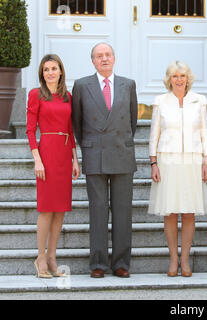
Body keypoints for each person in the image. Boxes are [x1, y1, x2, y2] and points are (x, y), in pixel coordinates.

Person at [71, 43, 138, 278]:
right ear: (93, 61)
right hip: (95, 153)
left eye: (108, 54)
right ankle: (98, 264)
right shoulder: (81, 85)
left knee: (122, 212)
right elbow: (77, 124)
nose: (104, 59)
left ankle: (121, 263)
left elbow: (132, 122)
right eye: (99, 56)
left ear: (114, 58)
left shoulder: (128, 85)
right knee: (98, 211)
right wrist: (88, 146)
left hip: (121, 153)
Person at [148, 61, 207, 277]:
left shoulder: (198, 101)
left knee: (188, 211)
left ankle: (185, 259)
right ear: (169, 79)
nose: (179, 79)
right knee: (170, 211)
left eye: (182, 75)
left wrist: (206, 161)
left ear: (188, 78)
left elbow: (205, 132)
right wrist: (153, 162)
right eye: (175, 76)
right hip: (168, 161)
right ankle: (173, 260)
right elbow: (154, 134)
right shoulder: (161, 102)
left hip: (192, 161)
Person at [26, 54, 80, 278]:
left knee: (60, 210)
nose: (50, 72)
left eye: (54, 68)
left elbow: (70, 129)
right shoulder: (35, 95)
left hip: (64, 153)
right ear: (42, 73)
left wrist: (75, 159)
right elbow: (30, 130)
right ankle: (40, 257)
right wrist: (37, 159)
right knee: (46, 208)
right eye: (46, 69)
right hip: (46, 151)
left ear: (61, 71)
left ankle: (52, 257)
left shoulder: (68, 97)